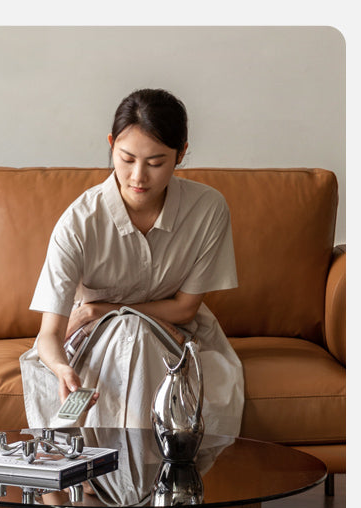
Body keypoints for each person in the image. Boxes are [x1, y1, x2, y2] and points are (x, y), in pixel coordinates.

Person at [19, 88, 244, 436]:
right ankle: (143, 465)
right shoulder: (79, 221)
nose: (138, 176)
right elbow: (49, 334)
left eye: (155, 163)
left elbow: (185, 309)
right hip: (92, 341)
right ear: (111, 145)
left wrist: (99, 310)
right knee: (129, 333)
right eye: (126, 159)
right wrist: (62, 370)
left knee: (132, 331)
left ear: (181, 153)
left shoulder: (207, 210)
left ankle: (116, 464)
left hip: (175, 335)